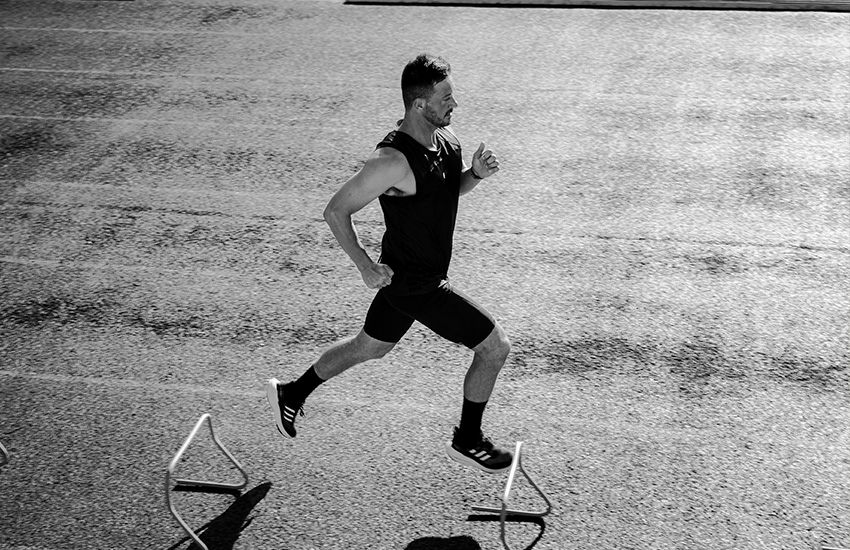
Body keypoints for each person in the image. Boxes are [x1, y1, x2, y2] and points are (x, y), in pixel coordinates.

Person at [267, 53, 513, 474]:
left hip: (408, 275)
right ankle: (467, 439)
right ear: (420, 105)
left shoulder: (447, 142)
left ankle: (292, 393)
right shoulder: (391, 161)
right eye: (447, 97)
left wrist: (474, 175)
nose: (455, 105)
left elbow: (443, 193)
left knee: (370, 347)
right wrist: (363, 264)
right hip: (416, 284)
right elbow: (335, 211)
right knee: (494, 349)